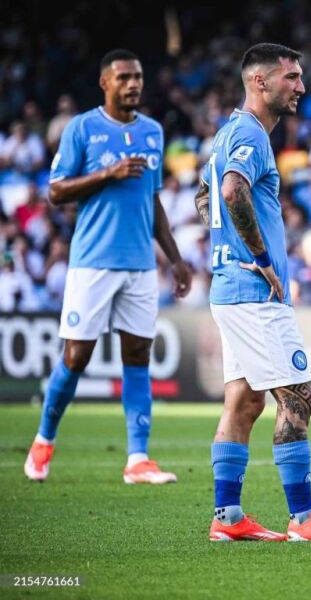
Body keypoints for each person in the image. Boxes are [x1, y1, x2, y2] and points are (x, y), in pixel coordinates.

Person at [196, 43, 311, 542]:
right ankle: (304, 516)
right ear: (260, 81)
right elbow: (230, 191)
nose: (301, 87)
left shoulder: (228, 132)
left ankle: (228, 518)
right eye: (291, 77)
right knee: (299, 397)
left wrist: (226, 244)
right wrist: (261, 257)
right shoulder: (249, 133)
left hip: (228, 285)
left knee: (244, 401)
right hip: (253, 291)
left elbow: (206, 197)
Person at [24, 49, 192, 484]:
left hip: (140, 264)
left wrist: (175, 259)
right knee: (77, 356)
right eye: (124, 78)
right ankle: (44, 440)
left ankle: (138, 459)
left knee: (137, 356)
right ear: (105, 83)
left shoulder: (153, 131)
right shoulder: (82, 128)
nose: (133, 84)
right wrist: (108, 174)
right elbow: (56, 191)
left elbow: (153, 201)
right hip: (92, 262)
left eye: (138, 77)